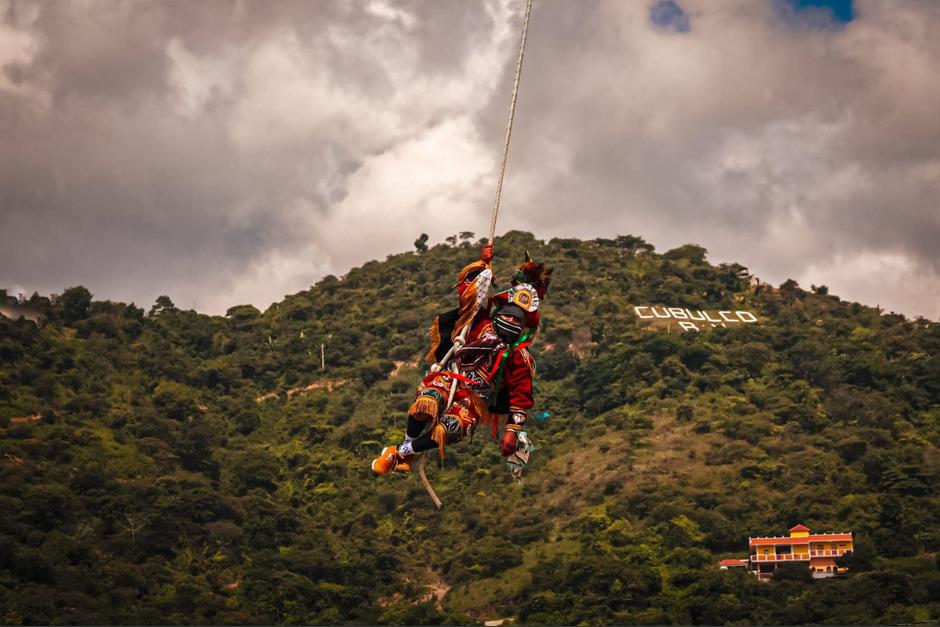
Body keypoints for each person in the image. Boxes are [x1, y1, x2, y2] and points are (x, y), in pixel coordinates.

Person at [371, 248, 552, 475]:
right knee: (428, 400)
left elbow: (521, 397)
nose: (510, 321)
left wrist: (511, 431)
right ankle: (406, 445)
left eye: (517, 320)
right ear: (499, 313)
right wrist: (482, 267)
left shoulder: (520, 357)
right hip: (450, 376)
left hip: (475, 401)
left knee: (453, 428)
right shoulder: (479, 322)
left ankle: (401, 451)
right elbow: (469, 293)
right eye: (507, 315)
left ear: (524, 326)